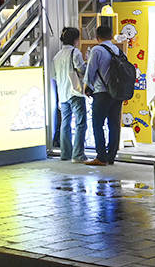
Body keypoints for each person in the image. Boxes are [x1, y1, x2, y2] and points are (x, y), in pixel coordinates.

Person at [83, 23, 124, 166]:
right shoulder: (117, 50)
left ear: (97, 36)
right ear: (111, 36)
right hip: (117, 93)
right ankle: (111, 156)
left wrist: (87, 87)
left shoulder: (97, 50)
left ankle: (101, 157)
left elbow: (91, 71)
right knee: (114, 124)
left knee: (97, 124)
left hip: (101, 93)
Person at [51, 26, 88, 161]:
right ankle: (78, 155)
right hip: (75, 91)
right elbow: (81, 69)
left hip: (62, 93)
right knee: (80, 123)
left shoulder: (57, 56)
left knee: (65, 123)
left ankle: (65, 153)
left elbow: (54, 76)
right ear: (75, 40)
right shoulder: (75, 53)